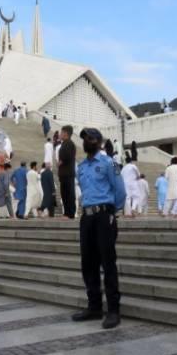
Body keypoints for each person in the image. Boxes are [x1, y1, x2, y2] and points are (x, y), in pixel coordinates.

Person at [71, 127, 126, 329]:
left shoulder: (109, 163)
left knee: (107, 262)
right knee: (88, 263)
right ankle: (94, 306)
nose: (87, 140)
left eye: (91, 138)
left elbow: (120, 191)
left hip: (104, 215)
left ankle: (113, 310)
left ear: (99, 141)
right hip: (87, 217)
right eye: (85, 138)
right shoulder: (82, 166)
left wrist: (111, 211)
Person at [58, 125, 77, 219]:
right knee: (65, 194)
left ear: (65, 133)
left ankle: (69, 213)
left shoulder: (68, 143)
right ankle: (67, 213)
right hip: (65, 173)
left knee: (68, 194)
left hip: (67, 173)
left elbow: (66, 156)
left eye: (61, 132)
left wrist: (61, 161)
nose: (60, 134)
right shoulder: (65, 143)